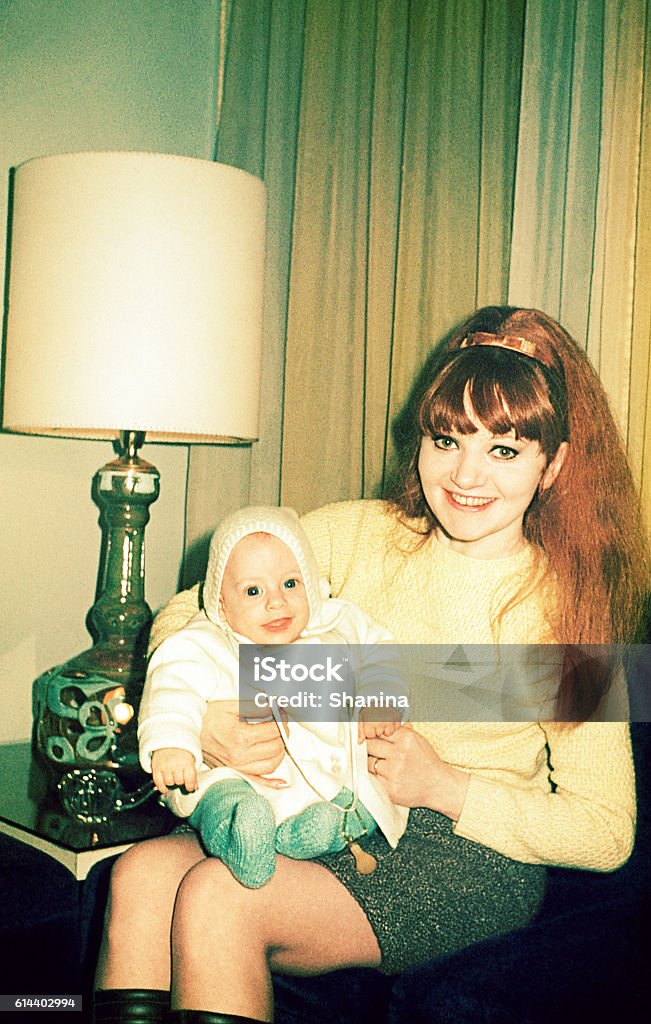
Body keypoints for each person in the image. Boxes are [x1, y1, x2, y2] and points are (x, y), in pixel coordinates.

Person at [94, 306, 648, 1024]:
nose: (466, 474)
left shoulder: (565, 615)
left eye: (504, 450)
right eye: (446, 438)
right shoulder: (359, 535)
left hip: (463, 856)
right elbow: (191, 610)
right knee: (137, 875)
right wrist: (206, 717)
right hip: (318, 804)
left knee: (218, 897)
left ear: (553, 465)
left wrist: (445, 785)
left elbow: (605, 833)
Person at [138, 505, 409, 889]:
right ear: (220, 603)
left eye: (290, 584)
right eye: (253, 591)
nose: (276, 602)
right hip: (237, 778)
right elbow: (170, 686)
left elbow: (382, 651)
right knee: (221, 794)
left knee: (362, 796)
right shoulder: (205, 643)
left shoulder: (339, 623)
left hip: (324, 781)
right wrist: (171, 742)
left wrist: (381, 692)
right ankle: (238, 831)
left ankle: (321, 830)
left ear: (312, 583)